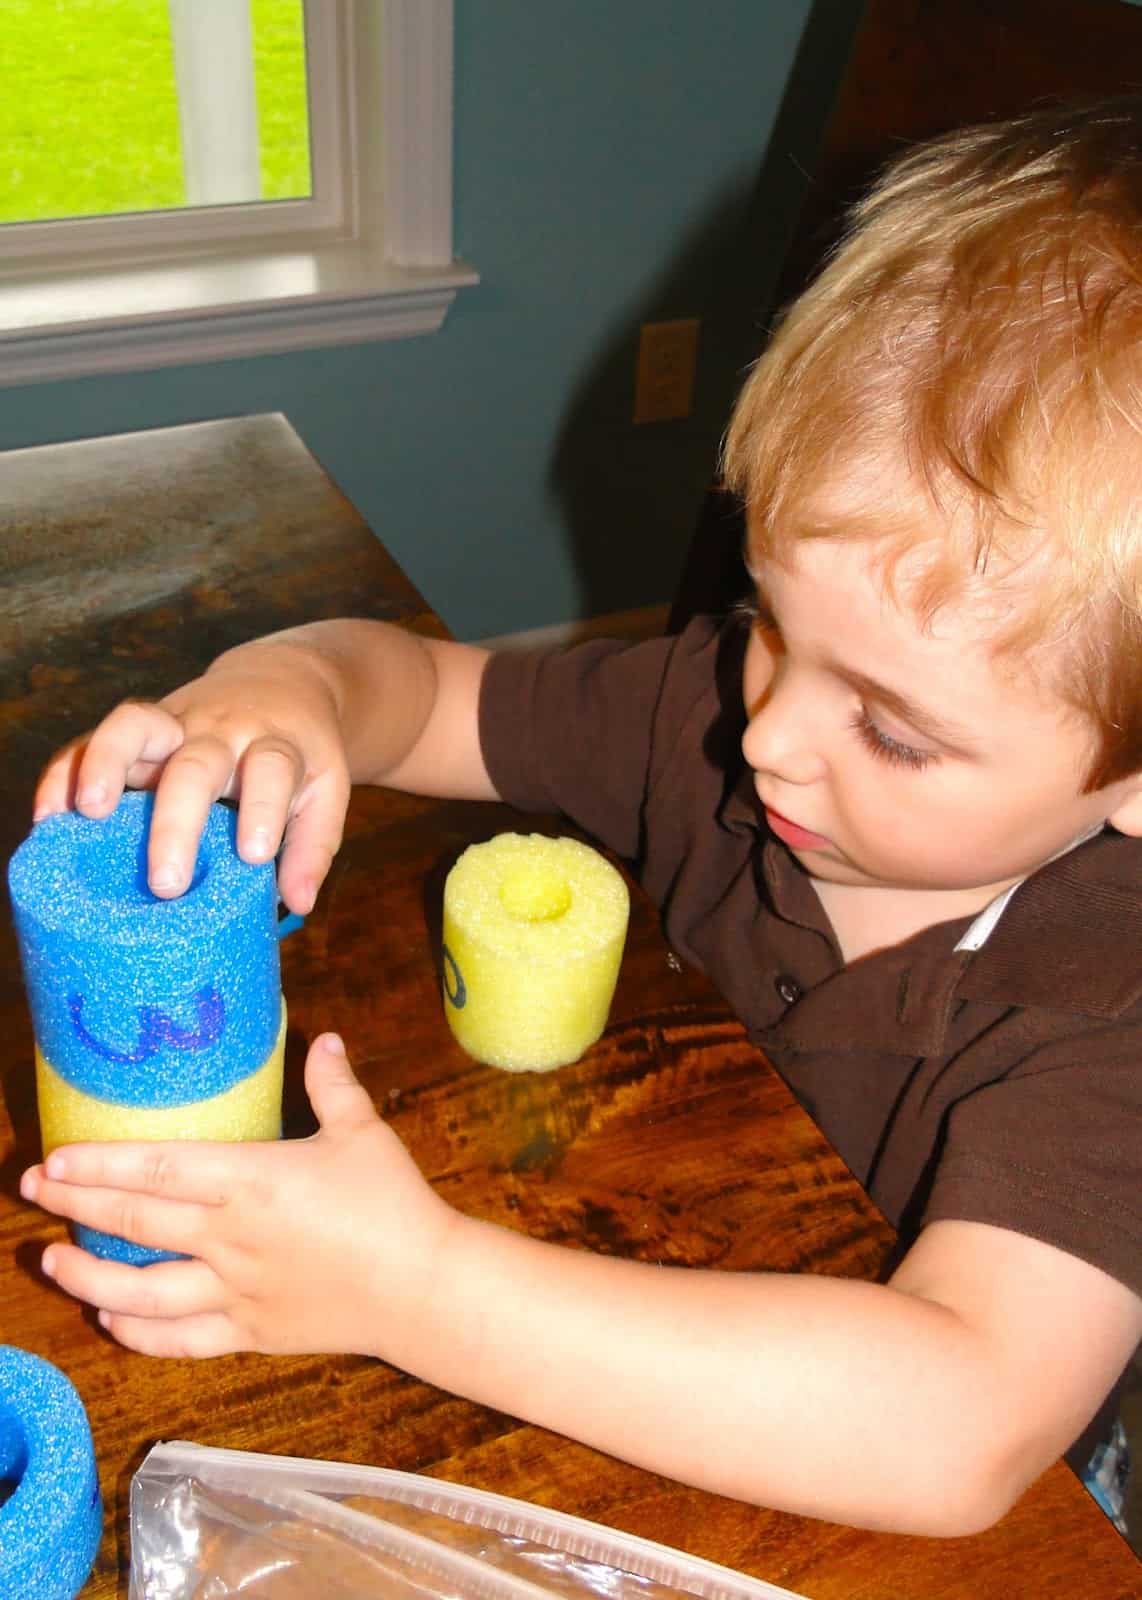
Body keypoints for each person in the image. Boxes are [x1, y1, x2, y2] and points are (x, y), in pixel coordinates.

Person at [19, 96, 1142, 1538]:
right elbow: (420, 694)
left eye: (889, 730)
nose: (773, 737)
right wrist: (282, 690)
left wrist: (413, 1287)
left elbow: (957, 1431)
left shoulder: (1108, 1012)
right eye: (764, 625)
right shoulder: (714, 725)